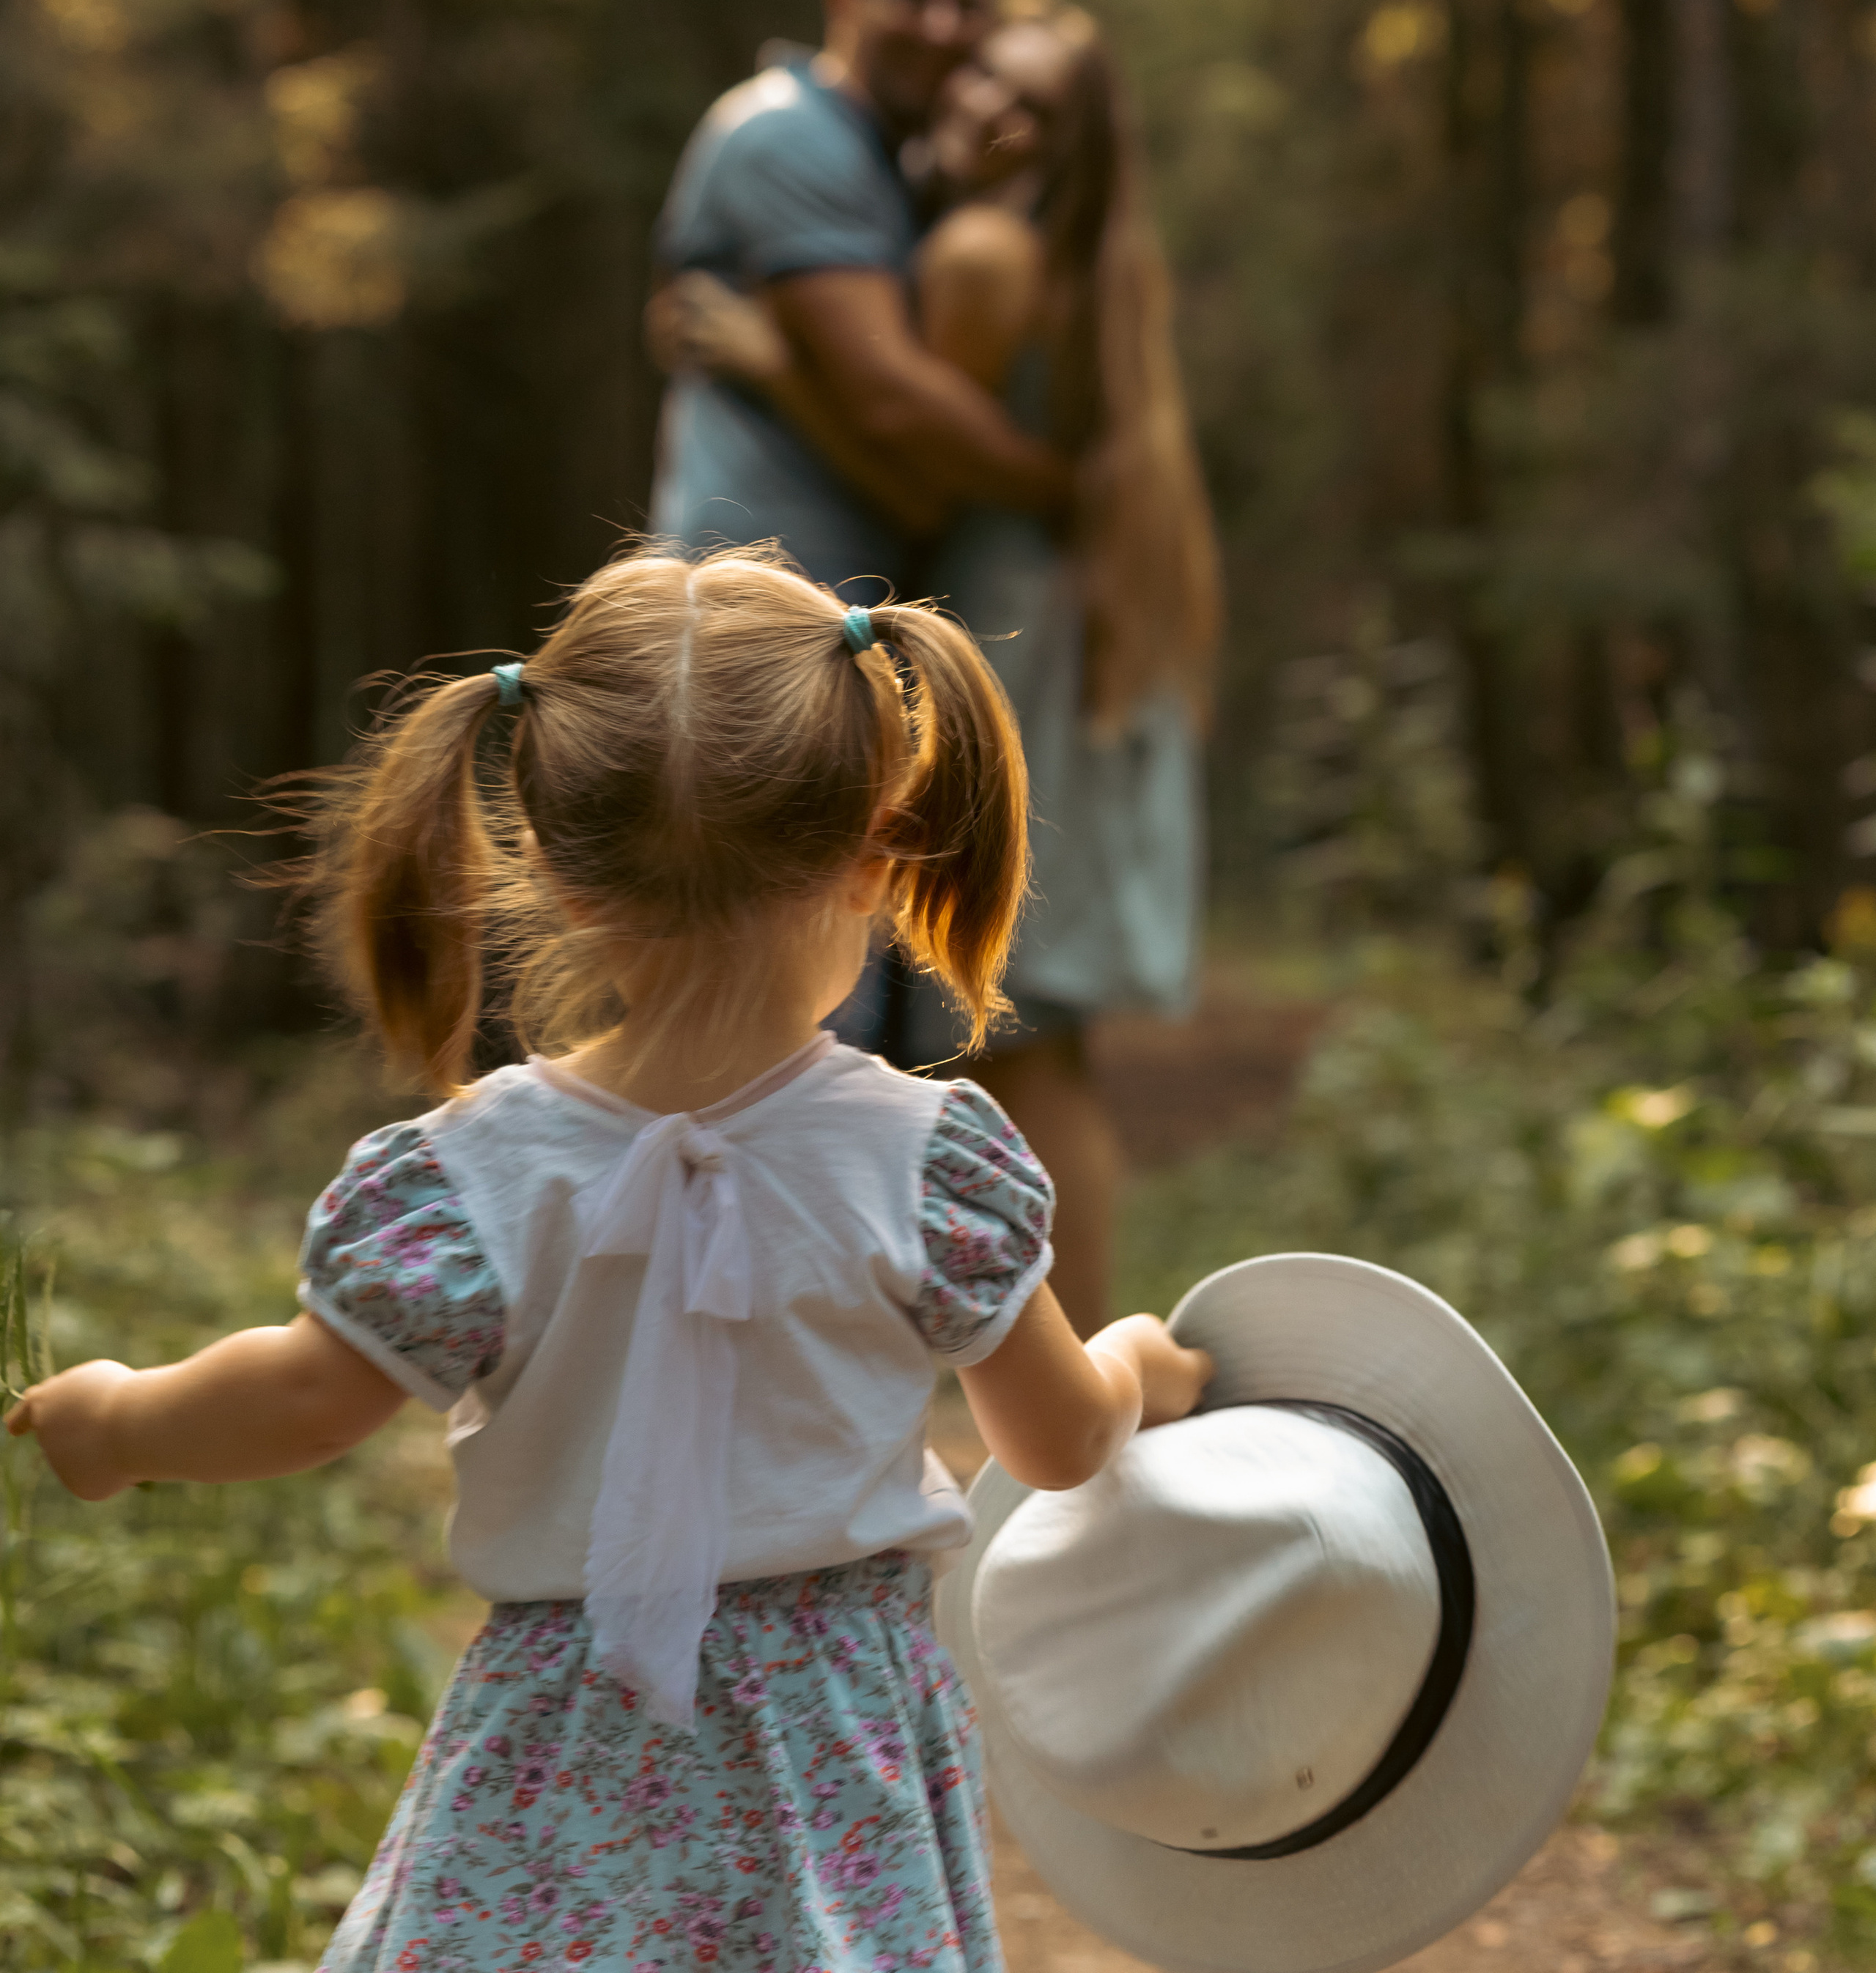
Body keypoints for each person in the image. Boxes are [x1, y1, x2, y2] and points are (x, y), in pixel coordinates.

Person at [8, 544, 1213, 1973]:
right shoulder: (924, 1159)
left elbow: (295, 1400)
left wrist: (115, 1420)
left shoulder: (471, 1177)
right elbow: (1061, 1442)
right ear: (877, 858)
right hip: (831, 1732)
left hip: (558, 1732)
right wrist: (1139, 1359)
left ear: (558, 874)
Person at [654, 0, 1222, 1336]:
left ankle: (1076, 1387)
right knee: (1031, 1033)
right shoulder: (1086, 262)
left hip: (1016, 645)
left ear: (1065, 146)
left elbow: (911, 461)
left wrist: (775, 367)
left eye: (1028, 106)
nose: (986, 111)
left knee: (1020, 1035)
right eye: (981, 80)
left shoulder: (974, 252)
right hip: (1058, 638)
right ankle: (1073, 1379)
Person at [649, 0, 1073, 599]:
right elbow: (890, 402)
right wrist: (1067, 485)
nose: (941, 27)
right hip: (750, 614)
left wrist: (778, 367)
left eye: (967, 5)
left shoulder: (898, 164)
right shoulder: (790, 137)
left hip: (834, 612)